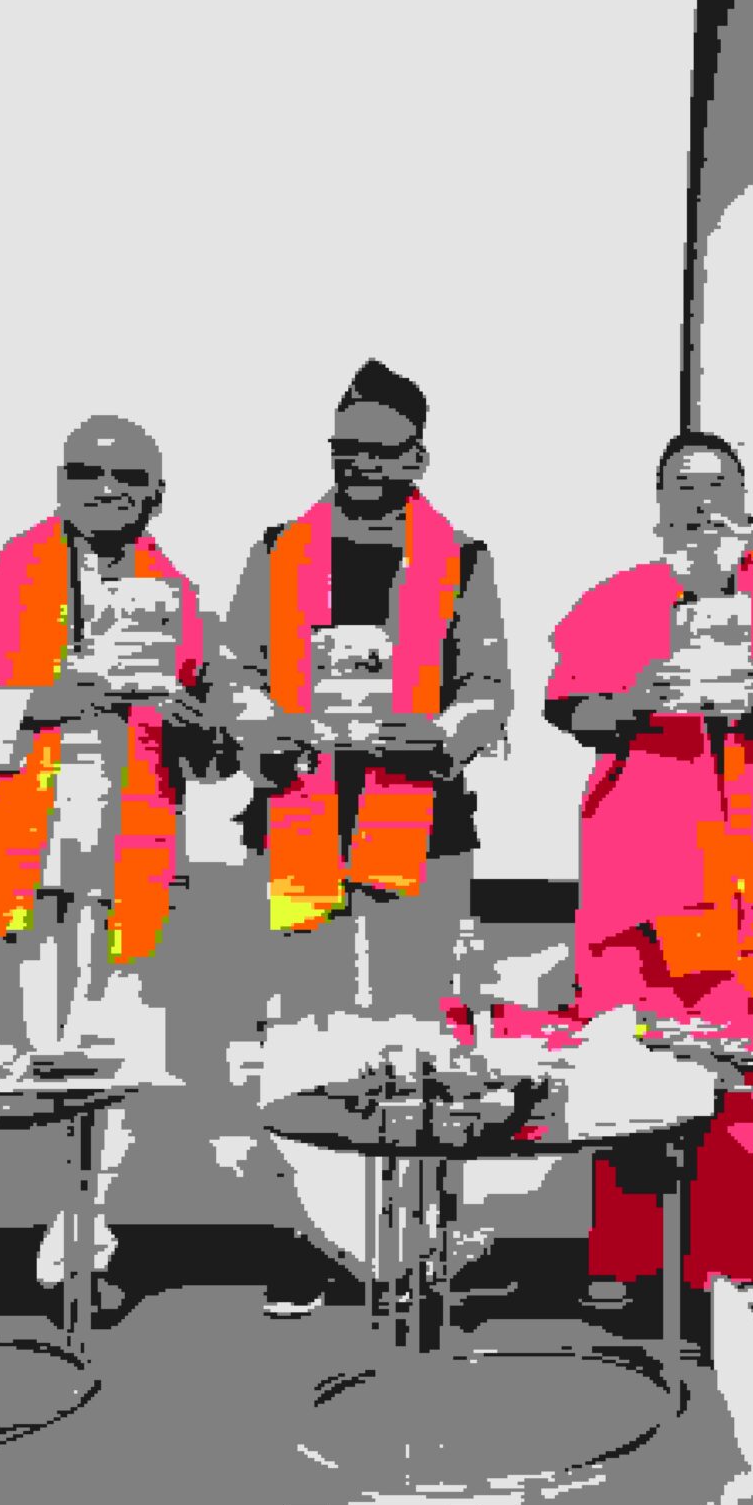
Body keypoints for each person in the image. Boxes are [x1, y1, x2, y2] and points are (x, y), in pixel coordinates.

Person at [0, 415, 237, 1337]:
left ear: (157, 495)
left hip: (121, 868)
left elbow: (221, 749)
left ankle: (79, 1260)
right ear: (59, 481)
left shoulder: (182, 600)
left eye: (128, 477)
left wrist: (198, 727)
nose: (106, 490)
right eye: (85, 472)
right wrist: (36, 702)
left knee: (103, 1068)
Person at [543, 432, 753, 1315]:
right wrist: (633, 701)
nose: (701, 503)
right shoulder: (618, 598)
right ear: (658, 508)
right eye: (682, 488)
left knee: (746, 1068)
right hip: (640, 869)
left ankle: (730, 1263)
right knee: (626, 1062)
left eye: (717, 485)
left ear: (745, 502)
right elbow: (571, 710)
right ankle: (621, 1258)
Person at [221, 359, 515, 1316]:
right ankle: (315, 1245)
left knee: (417, 1033)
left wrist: (444, 737)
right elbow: (235, 672)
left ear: (418, 457)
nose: (360, 465)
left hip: (420, 820)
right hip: (298, 815)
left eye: (381, 451)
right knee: (303, 1039)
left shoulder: (462, 556)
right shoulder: (279, 548)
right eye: (346, 449)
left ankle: (418, 1249)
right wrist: (263, 727)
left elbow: (488, 689)